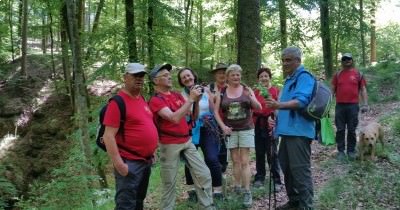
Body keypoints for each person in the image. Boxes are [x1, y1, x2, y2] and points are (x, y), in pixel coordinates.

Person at [148, 64, 215, 210]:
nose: (169, 76)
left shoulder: (177, 95)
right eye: (165, 75)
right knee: (169, 183)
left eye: (169, 74)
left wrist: (196, 101)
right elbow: (173, 118)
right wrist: (190, 100)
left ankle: (207, 206)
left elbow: (193, 117)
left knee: (203, 174)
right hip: (169, 144)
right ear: (155, 81)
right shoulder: (155, 100)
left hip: (187, 141)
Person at [102, 63, 158, 210]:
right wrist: (120, 165)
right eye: (135, 76)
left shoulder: (141, 99)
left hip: (145, 162)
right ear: (125, 77)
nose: (139, 79)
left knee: (139, 201)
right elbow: (108, 136)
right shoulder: (117, 102)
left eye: (141, 76)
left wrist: (152, 152)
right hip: (129, 162)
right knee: (125, 205)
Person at [266, 46, 315, 210]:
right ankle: (294, 202)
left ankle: (306, 205)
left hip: (299, 132)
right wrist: (275, 120)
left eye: (288, 60)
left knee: (300, 170)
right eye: (283, 60)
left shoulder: (304, 77)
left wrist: (278, 104)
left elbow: (301, 101)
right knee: (286, 167)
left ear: (298, 60)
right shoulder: (288, 80)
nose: (284, 63)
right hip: (286, 131)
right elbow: (282, 107)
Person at [214, 64, 261, 208]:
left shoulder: (247, 90)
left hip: (246, 129)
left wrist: (251, 97)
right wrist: (223, 127)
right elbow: (216, 112)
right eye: (233, 75)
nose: (236, 77)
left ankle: (247, 191)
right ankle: (237, 187)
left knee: (245, 161)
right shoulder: (221, 92)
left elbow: (258, 107)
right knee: (235, 160)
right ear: (228, 77)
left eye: (238, 75)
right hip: (231, 131)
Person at [177, 68, 224, 201]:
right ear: (181, 81)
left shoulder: (205, 90)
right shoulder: (180, 95)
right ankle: (192, 190)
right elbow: (185, 114)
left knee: (212, 159)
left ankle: (217, 191)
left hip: (207, 128)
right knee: (190, 160)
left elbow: (213, 110)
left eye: (188, 75)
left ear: (193, 76)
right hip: (190, 129)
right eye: (183, 77)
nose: (187, 78)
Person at [331, 53, 368, 161]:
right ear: (342, 61)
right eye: (344, 59)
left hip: (353, 106)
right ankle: (341, 151)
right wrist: (327, 103)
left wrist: (365, 104)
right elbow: (332, 89)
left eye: (349, 59)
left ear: (352, 60)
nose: (347, 60)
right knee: (340, 129)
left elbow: (363, 89)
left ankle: (351, 151)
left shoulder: (358, 74)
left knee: (352, 129)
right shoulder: (337, 75)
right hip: (340, 106)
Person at [252, 67, 282, 191]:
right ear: (258, 79)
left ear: (269, 77)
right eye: (261, 76)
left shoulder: (276, 91)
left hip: (271, 123)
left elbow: (279, 107)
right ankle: (260, 177)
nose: (264, 78)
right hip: (258, 124)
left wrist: (274, 118)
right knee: (259, 152)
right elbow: (251, 107)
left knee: (272, 152)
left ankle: (276, 179)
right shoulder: (255, 92)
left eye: (266, 76)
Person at [208, 63, 229, 173]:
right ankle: (215, 168)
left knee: (225, 146)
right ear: (215, 75)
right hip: (212, 122)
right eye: (219, 72)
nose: (222, 75)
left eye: (224, 72)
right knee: (214, 146)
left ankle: (223, 168)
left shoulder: (230, 87)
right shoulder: (209, 87)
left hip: (227, 121)